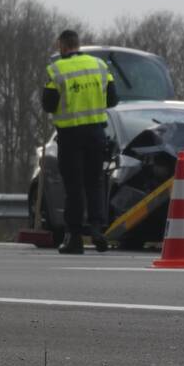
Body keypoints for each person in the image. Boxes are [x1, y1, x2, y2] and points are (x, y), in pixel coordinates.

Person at [41, 30, 118, 254]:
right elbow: (113, 99)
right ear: (78, 44)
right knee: (95, 182)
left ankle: (74, 238)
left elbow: (48, 104)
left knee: (74, 187)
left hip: (70, 136)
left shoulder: (57, 70)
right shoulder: (100, 66)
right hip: (96, 133)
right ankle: (97, 229)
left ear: (63, 46)